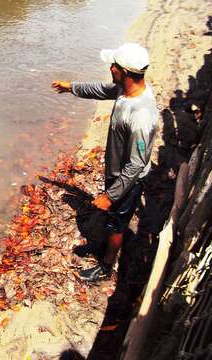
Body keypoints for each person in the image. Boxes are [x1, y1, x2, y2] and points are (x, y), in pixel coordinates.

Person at [52, 43, 159, 282]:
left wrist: (111, 195)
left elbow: (137, 164)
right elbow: (101, 89)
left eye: (114, 66)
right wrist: (71, 87)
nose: (110, 68)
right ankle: (101, 245)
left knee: (117, 224)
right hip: (118, 172)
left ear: (126, 72)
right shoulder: (126, 90)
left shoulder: (141, 115)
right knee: (111, 217)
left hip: (129, 180)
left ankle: (106, 267)